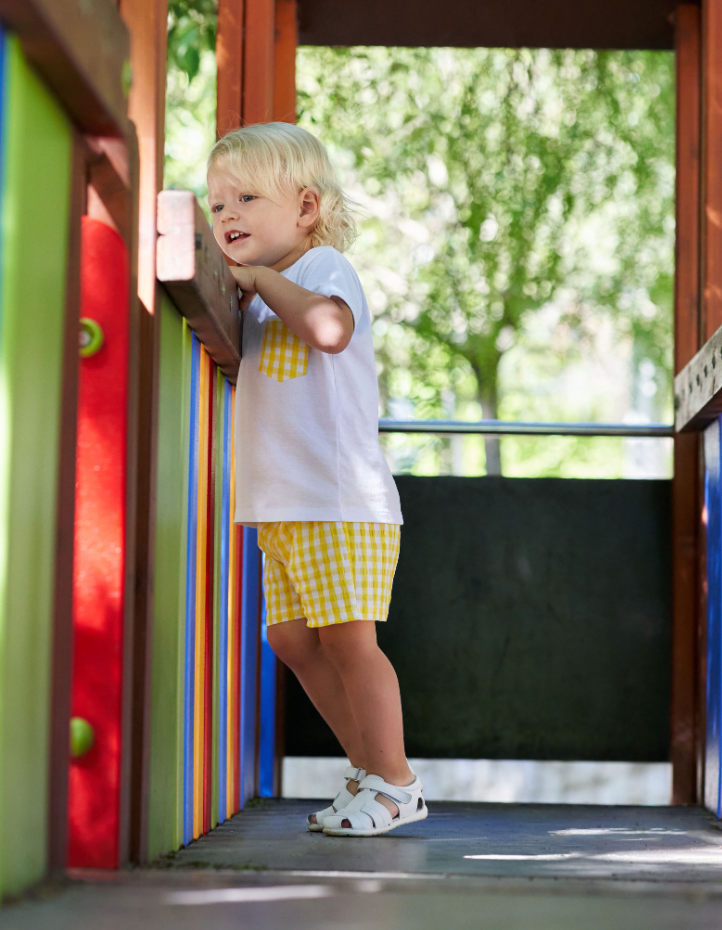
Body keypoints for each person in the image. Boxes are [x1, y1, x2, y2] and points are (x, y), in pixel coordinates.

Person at [207, 122, 427, 837]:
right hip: (286, 502)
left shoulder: (321, 269)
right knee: (293, 641)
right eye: (216, 206)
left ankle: (396, 782)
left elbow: (330, 331)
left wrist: (261, 281)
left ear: (304, 208)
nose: (227, 215)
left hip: (339, 500)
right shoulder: (264, 294)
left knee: (348, 642)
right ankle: (367, 770)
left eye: (245, 197)